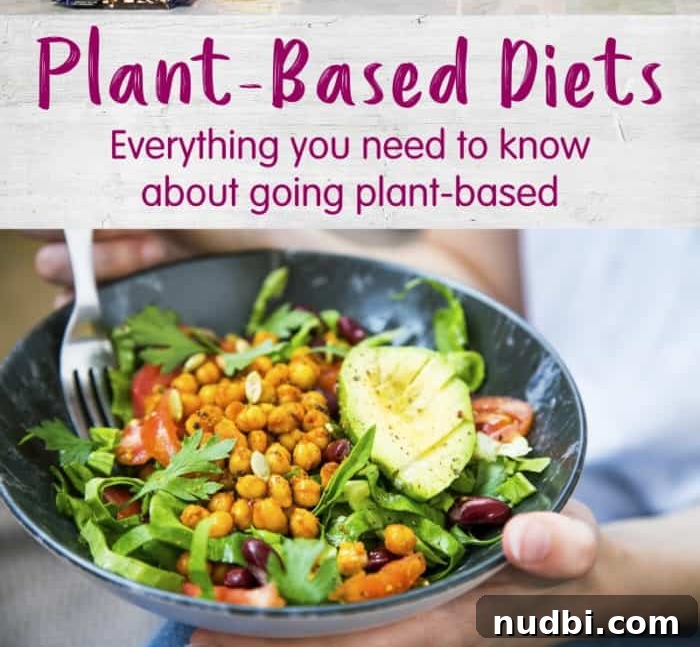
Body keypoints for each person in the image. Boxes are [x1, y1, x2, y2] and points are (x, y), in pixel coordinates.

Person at [28, 228, 700, 647]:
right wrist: (219, 224)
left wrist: (601, 590)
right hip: (525, 513)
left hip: (659, 586)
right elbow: (473, 283)